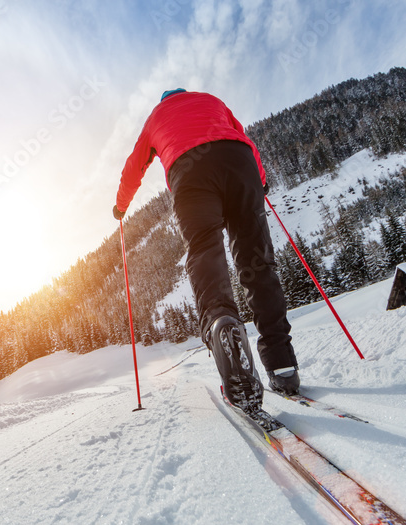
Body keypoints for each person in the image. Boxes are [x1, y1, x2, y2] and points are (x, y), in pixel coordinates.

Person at [113, 88, 300, 411]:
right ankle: (282, 365)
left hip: (190, 172)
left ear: (164, 101)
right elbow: (245, 138)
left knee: (204, 252)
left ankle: (220, 320)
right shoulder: (212, 101)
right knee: (257, 261)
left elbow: (134, 166)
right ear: (186, 94)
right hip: (239, 163)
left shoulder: (156, 118)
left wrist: (120, 207)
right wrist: (262, 180)